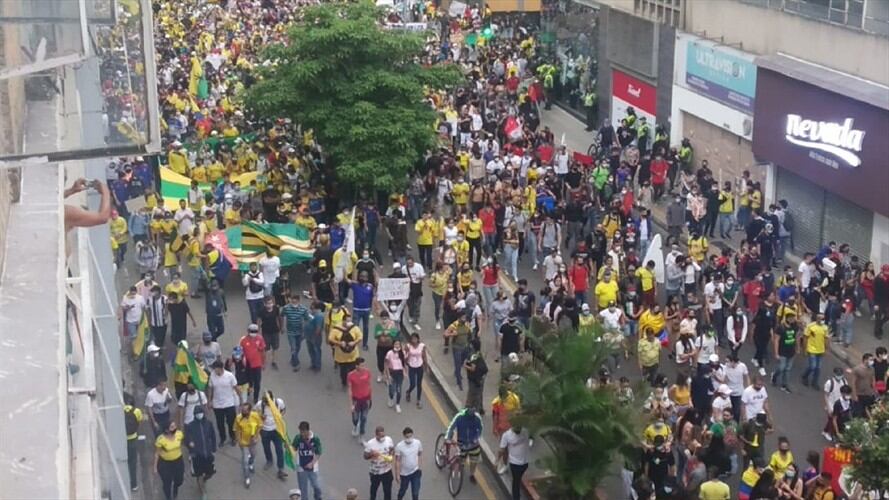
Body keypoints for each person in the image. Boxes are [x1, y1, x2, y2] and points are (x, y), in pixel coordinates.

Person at [184, 406, 217, 500]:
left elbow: (213, 436)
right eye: (197, 413)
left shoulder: (208, 424)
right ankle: (203, 492)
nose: (199, 415)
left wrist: (213, 449)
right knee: (198, 474)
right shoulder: (190, 426)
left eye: (200, 413)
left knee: (210, 473)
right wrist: (190, 444)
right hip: (197, 455)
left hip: (208, 454)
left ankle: (204, 479)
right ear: (194, 415)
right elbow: (187, 439)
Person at [445, 407, 484, 483]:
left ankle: (472, 474)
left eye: (474, 409)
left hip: (473, 444)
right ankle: (460, 469)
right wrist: (448, 438)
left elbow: (480, 429)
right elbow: (451, 427)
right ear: (467, 409)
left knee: (474, 461)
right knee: (461, 461)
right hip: (461, 443)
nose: (473, 411)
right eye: (471, 409)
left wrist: (477, 438)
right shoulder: (459, 416)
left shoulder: (477, 418)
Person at [259, 392, 289, 480]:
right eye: (265, 402)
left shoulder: (279, 402)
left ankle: (281, 469)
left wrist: (280, 415)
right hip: (264, 431)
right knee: (266, 447)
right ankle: (269, 460)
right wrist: (260, 416)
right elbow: (254, 413)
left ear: (272, 399)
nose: (266, 404)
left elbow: (284, 409)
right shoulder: (260, 404)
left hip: (276, 430)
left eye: (268, 402)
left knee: (279, 449)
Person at [208, 360, 238, 446]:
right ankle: (223, 438)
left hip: (229, 403)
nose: (214, 371)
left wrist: (240, 399)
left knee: (231, 422)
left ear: (221, 368)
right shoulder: (212, 376)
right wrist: (209, 400)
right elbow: (210, 388)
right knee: (220, 423)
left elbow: (236, 387)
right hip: (217, 404)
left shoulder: (229, 376)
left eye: (216, 369)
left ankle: (233, 437)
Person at [154, 421, 185, 500]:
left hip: (178, 461)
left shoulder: (179, 434)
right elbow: (157, 453)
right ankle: (168, 497)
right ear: (167, 430)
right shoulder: (161, 439)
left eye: (175, 426)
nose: (174, 428)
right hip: (165, 464)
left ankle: (175, 488)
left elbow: (184, 442)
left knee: (179, 480)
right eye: (172, 427)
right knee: (167, 482)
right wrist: (155, 467)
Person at [234, 402, 262, 488]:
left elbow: (259, 426)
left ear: (249, 411)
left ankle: (251, 463)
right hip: (244, 443)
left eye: (245, 410)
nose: (243, 411)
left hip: (252, 442)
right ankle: (247, 478)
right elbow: (236, 430)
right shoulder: (238, 418)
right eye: (242, 410)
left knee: (253, 455)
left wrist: (256, 437)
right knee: (245, 461)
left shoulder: (255, 416)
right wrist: (239, 441)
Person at [499, 424, 531, 500]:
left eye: (519, 427)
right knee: (516, 481)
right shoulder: (506, 435)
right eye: (517, 427)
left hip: (525, 463)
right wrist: (496, 461)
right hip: (514, 464)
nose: (518, 429)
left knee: (517, 480)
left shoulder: (526, 431)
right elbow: (501, 450)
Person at [294, 421, 324, 500]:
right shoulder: (298, 438)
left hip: (313, 467)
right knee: (303, 489)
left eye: (303, 432)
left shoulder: (315, 439)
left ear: (307, 430)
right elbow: (293, 448)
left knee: (316, 485)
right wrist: (288, 447)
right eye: (300, 432)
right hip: (301, 466)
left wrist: (312, 463)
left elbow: (318, 453)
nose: (302, 434)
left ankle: (317, 497)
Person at [364, 426, 395, 500]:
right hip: (375, 472)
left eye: (383, 435)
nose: (382, 437)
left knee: (387, 491)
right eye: (380, 436)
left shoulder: (388, 440)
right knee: (374, 488)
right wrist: (372, 454)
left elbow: (392, 449)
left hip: (387, 470)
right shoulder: (371, 443)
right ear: (376, 435)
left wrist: (391, 456)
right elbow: (365, 456)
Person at [330, 319, 363, 387]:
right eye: (347, 321)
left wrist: (354, 342)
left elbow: (360, 337)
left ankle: (353, 381)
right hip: (341, 356)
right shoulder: (336, 329)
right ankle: (344, 381)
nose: (349, 323)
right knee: (343, 371)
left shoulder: (355, 328)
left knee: (353, 370)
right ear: (343, 321)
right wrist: (339, 343)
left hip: (353, 355)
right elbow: (331, 339)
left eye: (349, 321)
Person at [239, 324, 267, 404]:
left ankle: (255, 397)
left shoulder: (260, 339)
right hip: (247, 364)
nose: (253, 333)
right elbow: (240, 352)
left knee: (257, 382)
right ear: (248, 331)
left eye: (255, 332)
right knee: (248, 380)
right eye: (252, 331)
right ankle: (249, 389)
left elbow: (263, 351)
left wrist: (263, 363)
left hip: (257, 364)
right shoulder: (243, 340)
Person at [394, 427, 423, 500]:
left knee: (415, 493)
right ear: (404, 436)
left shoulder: (417, 443)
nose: (409, 438)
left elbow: (420, 454)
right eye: (407, 437)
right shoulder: (399, 446)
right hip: (404, 474)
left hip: (415, 472)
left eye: (410, 436)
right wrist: (397, 475)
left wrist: (419, 467)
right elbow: (397, 461)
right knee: (402, 491)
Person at [800, 313, 828, 388]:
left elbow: (826, 339)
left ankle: (815, 382)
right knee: (812, 366)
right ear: (817, 319)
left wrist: (826, 349)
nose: (822, 320)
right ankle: (805, 376)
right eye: (821, 319)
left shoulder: (825, 328)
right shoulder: (810, 326)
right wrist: (804, 349)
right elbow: (805, 337)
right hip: (811, 349)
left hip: (820, 350)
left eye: (823, 319)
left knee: (818, 368)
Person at [348, 357, 373, 438]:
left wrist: (370, 398)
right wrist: (351, 404)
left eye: (363, 365)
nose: (363, 367)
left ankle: (362, 433)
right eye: (361, 366)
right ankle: (355, 426)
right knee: (355, 418)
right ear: (356, 366)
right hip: (356, 400)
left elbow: (369, 385)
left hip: (366, 399)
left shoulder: (367, 372)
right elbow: (350, 389)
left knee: (364, 418)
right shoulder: (351, 375)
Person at [124, 393, 144, 492]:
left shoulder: (120, 409)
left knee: (123, 461)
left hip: (122, 439)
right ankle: (133, 484)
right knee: (132, 462)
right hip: (132, 438)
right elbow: (139, 422)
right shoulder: (136, 411)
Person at [258, 296, 283, 370]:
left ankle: (274, 361)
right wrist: (258, 332)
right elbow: (259, 321)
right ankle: (264, 362)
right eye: (268, 303)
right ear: (265, 304)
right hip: (266, 332)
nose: (270, 305)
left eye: (271, 303)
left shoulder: (276, 309)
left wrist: (281, 327)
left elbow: (279, 318)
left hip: (275, 331)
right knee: (265, 348)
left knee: (275, 347)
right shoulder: (261, 311)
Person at [464, 338, 488, 414]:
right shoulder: (479, 353)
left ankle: (469, 410)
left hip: (474, 378)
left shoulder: (473, 356)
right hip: (481, 377)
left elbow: (473, 368)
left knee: (472, 394)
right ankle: (480, 409)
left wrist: (465, 366)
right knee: (479, 393)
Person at [405, 333, 427, 409]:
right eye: (412, 339)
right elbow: (405, 355)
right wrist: (405, 361)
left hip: (419, 366)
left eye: (415, 338)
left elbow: (424, 356)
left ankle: (418, 400)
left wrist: (425, 365)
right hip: (411, 367)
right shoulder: (408, 346)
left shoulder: (422, 346)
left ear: (418, 339)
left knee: (419, 384)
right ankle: (408, 391)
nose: (414, 340)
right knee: (413, 383)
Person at [384, 340, 407, 413]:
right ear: (393, 344)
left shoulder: (402, 353)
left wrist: (405, 372)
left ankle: (397, 404)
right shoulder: (389, 353)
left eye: (398, 344)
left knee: (399, 390)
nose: (397, 345)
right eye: (396, 344)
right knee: (392, 390)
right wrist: (387, 374)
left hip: (400, 373)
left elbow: (405, 363)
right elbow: (386, 364)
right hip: (392, 373)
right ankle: (391, 398)